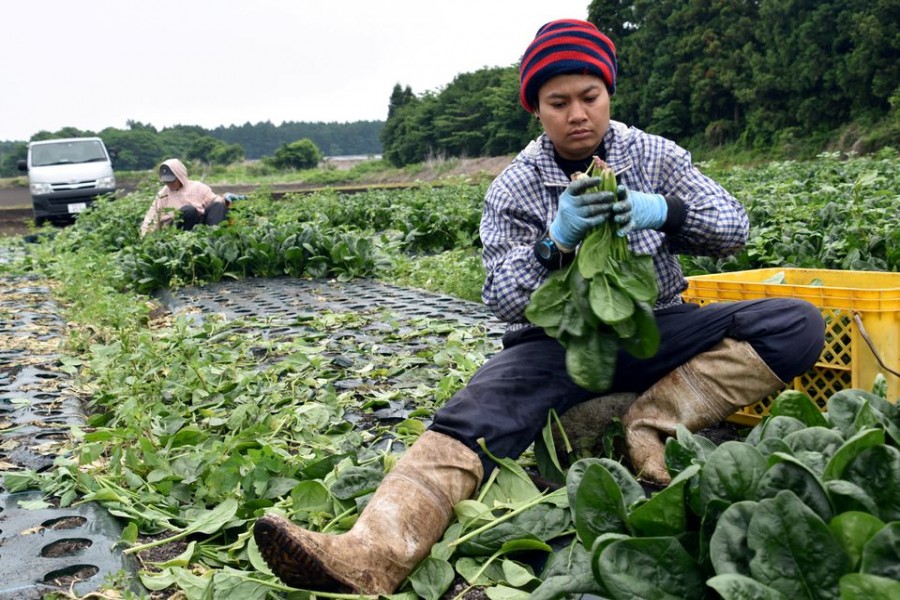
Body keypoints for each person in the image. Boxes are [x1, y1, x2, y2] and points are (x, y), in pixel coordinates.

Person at [253, 18, 826, 595]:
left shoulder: (655, 156)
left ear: (608, 94)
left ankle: (646, 423)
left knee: (795, 323)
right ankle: (371, 554)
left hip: (657, 326)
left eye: (589, 96)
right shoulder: (515, 186)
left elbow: (734, 228)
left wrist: (664, 211)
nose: (577, 113)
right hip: (558, 344)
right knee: (475, 413)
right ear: (537, 109)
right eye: (558, 102)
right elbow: (502, 299)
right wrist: (554, 243)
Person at [139, 158, 229, 236]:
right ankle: (186, 241)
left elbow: (214, 200)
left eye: (172, 181)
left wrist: (225, 199)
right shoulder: (163, 195)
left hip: (200, 223)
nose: (169, 184)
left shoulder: (198, 187)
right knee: (189, 210)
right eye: (166, 182)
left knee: (218, 206)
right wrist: (145, 235)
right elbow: (151, 216)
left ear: (180, 176)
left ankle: (214, 237)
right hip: (178, 228)